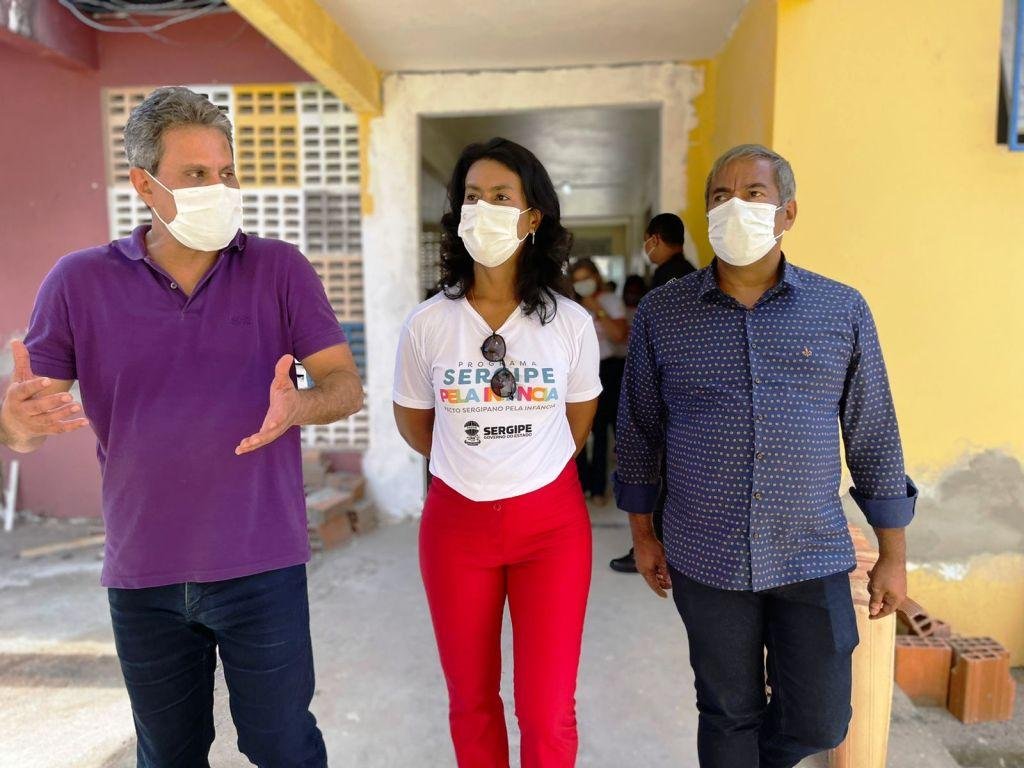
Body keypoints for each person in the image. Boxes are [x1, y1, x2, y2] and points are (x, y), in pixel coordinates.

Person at [0, 87, 363, 767]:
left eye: (226, 172)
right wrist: (11, 422)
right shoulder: (78, 282)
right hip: (144, 572)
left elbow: (345, 386)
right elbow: (28, 426)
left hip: (262, 565)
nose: (218, 189)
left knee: (284, 747)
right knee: (168, 755)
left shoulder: (279, 269)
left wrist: (299, 406)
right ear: (144, 184)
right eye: (196, 174)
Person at [615, 144, 917, 767]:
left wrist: (894, 554)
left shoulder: (841, 309)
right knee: (727, 711)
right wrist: (642, 535)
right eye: (719, 197)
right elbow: (639, 431)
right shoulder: (664, 314)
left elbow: (873, 432)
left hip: (811, 549)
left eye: (753, 194)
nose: (735, 207)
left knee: (820, 720)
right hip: (705, 551)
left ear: (788, 212)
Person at [392, 137, 601, 768]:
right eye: (472, 197)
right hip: (456, 528)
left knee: (547, 709)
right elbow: (417, 425)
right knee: (471, 702)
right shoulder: (428, 323)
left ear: (532, 216)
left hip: (551, 529)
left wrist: (516, 456)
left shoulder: (569, 323)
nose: (483, 209)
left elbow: (576, 424)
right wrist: (473, 455)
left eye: (501, 197)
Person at [569, 258, 628, 505]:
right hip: (578, 371)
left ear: (596, 276)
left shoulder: (611, 300)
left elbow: (619, 335)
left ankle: (598, 487)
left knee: (602, 429)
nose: (583, 284)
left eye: (586, 278)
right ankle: (580, 483)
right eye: (577, 280)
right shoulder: (570, 305)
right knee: (577, 426)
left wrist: (598, 309)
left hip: (608, 368)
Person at [644, 212, 696, 288]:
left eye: (646, 241)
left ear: (654, 240)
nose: (645, 246)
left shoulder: (664, 279)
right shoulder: (692, 272)